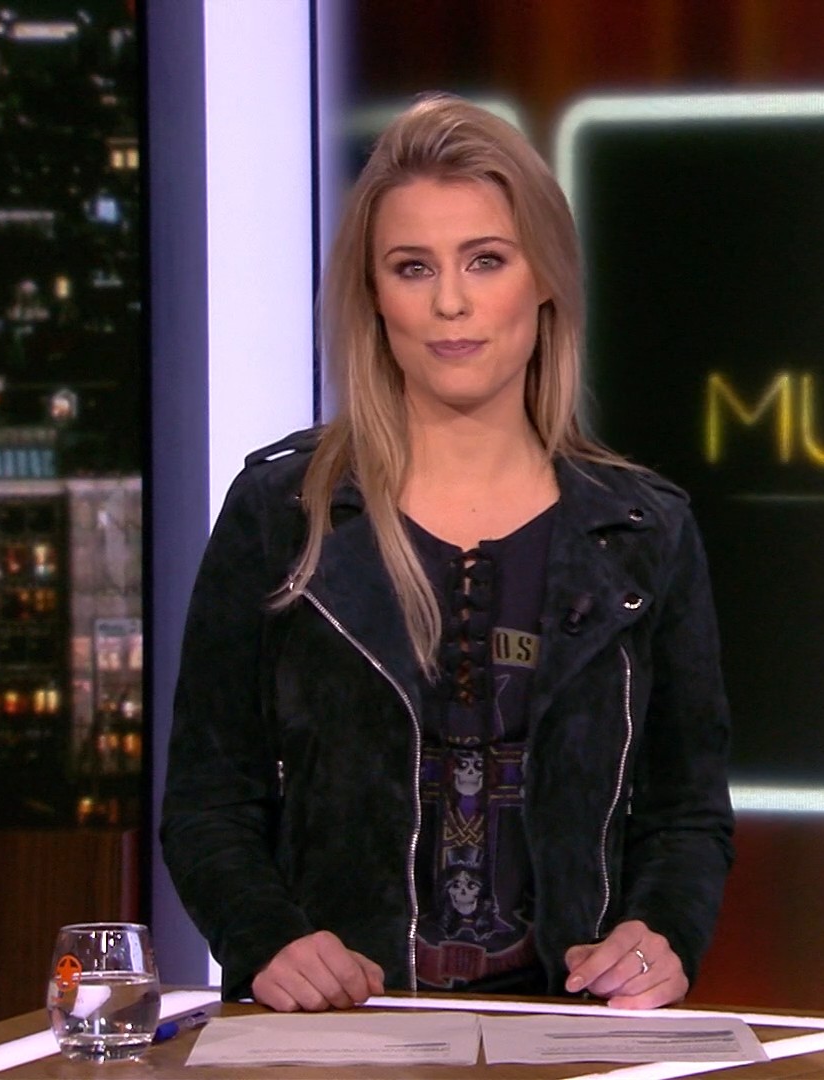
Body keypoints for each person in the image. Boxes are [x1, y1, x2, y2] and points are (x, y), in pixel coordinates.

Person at [160, 94, 735, 1013]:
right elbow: (208, 802)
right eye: (412, 267)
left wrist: (661, 934)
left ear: (544, 278)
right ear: (373, 294)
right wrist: (267, 941)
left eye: (486, 260)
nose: (451, 302)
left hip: (572, 1029)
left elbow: (686, 815)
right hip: (337, 1033)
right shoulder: (284, 514)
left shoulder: (643, 533)